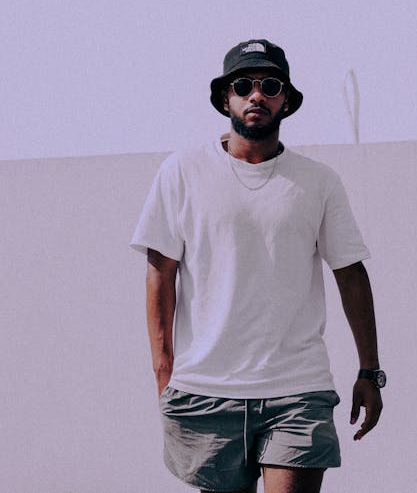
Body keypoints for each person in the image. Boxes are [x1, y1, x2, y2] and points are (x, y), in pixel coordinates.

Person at [131, 39, 385, 493]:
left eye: (270, 85)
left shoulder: (318, 181)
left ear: (285, 100)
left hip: (298, 388)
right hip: (207, 391)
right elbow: (160, 273)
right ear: (225, 98)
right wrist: (163, 370)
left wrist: (369, 370)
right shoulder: (181, 173)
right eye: (243, 85)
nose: (256, 95)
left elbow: (350, 273)